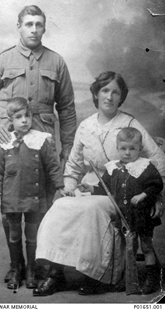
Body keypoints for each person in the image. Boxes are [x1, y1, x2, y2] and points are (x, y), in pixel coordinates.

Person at [33, 71, 165, 296]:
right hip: (90, 186)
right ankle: (55, 273)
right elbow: (73, 165)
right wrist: (69, 187)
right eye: (105, 90)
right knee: (60, 206)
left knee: (91, 209)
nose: (109, 97)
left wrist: (155, 195)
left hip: (119, 190)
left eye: (116, 92)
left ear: (121, 96)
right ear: (96, 93)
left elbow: (158, 160)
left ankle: (95, 275)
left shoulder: (129, 123)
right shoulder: (85, 126)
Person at [0, 5, 76, 282]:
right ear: (18, 26)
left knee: (40, 204)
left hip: (41, 144)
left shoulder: (57, 62)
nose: (33, 29)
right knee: (10, 204)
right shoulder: (3, 60)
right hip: (5, 142)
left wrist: (67, 146)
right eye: (28, 24)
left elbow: (66, 108)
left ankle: (36, 265)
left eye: (39, 24)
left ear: (44, 27)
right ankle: (15, 266)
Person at [0, 97, 71, 290]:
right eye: (19, 117)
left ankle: (31, 270)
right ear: (11, 120)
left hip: (34, 197)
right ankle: (17, 268)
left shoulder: (40, 140)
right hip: (12, 198)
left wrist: (60, 186)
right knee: (15, 236)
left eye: (27, 115)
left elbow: (52, 165)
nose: (24, 120)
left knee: (33, 236)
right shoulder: (4, 142)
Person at [82, 127, 163, 294]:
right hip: (125, 216)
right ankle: (129, 279)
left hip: (142, 216)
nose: (127, 153)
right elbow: (105, 189)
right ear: (117, 148)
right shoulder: (113, 168)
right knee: (129, 248)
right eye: (123, 148)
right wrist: (90, 188)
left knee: (146, 246)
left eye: (132, 148)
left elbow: (156, 185)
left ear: (139, 148)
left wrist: (143, 195)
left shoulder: (145, 166)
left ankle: (152, 279)